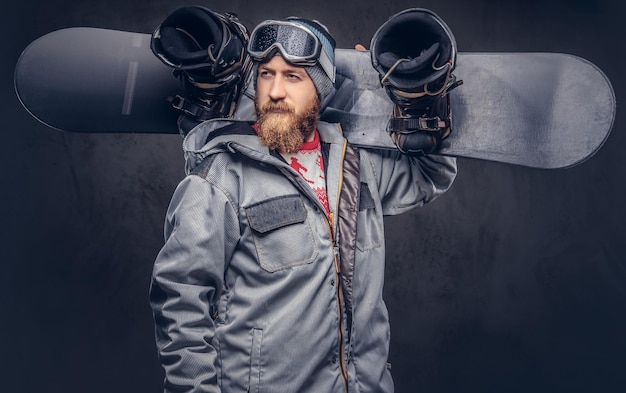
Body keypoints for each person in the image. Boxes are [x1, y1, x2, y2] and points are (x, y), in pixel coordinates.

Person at [149, 15, 457, 393]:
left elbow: (430, 173)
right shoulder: (219, 180)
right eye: (266, 74)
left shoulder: (357, 166)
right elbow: (180, 298)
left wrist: (398, 103)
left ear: (321, 90)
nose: (275, 90)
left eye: (293, 76)